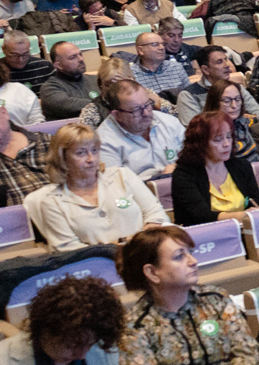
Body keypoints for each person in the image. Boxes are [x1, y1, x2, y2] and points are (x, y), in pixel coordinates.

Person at [116, 225, 259, 365]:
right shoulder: (134, 327)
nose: (193, 261)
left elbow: (249, 359)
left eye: (190, 252)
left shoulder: (216, 299)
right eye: (179, 256)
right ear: (152, 272)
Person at [24, 122, 168, 250]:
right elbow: (66, 249)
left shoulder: (122, 175)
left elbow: (155, 213)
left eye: (94, 150)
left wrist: (148, 234)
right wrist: (114, 248)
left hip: (144, 253)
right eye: (81, 153)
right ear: (62, 158)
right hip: (97, 269)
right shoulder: (51, 201)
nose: (90, 159)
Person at [169, 110, 259, 223]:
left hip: (244, 233)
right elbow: (201, 216)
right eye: (218, 139)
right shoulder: (184, 175)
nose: (226, 144)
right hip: (203, 236)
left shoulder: (242, 166)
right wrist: (243, 216)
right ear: (200, 144)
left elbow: (257, 204)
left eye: (229, 137)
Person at [95, 79, 185, 180]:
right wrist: (161, 178)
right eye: (136, 110)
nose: (146, 113)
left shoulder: (169, 122)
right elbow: (115, 184)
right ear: (117, 115)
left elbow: (194, 157)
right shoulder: (103, 140)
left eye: (147, 104)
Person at [40, 41, 95, 120]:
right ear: (58, 65)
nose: (81, 59)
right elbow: (69, 105)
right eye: (73, 57)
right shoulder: (50, 88)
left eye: (80, 54)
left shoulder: (96, 80)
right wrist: (103, 103)